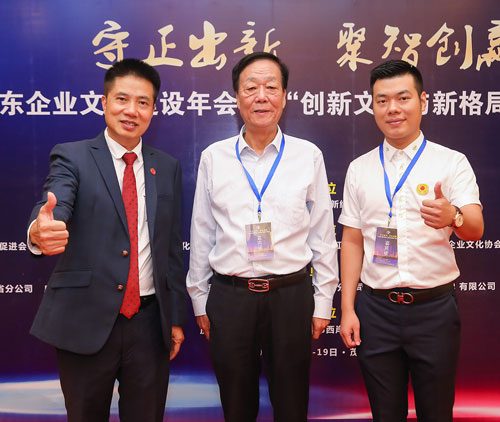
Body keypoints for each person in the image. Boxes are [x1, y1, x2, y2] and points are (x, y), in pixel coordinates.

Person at [27, 58, 187, 422]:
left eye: (143, 102)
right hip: (85, 318)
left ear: (154, 109)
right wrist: (40, 229)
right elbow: (56, 201)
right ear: (104, 102)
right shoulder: (73, 156)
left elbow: (170, 248)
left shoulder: (166, 166)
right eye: (122, 99)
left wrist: (174, 318)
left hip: (149, 324)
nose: (132, 111)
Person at [186, 52, 339, 422]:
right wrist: (200, 299)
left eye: (271, 87)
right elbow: (202, 231)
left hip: (290, 296)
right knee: (236, 405)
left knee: (291, 403)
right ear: (237, 97)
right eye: (250, 88)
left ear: (284, 97)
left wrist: (323, 302)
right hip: (230, 297)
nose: (261, 97)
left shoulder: (307, 155)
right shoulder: (214, 157)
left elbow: (322, 232)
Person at [338, 59, 484, 422]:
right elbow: (352, 240)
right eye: (382, 100)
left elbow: (475, 228)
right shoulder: (359, 168)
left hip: (433, 311)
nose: (393, 108)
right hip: (376, 311)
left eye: (403, 98)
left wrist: (454, 216)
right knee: (385, 414)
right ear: (373, 106)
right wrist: (348, 308)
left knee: (436, 412)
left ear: (423, 101)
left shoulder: (451, 162)